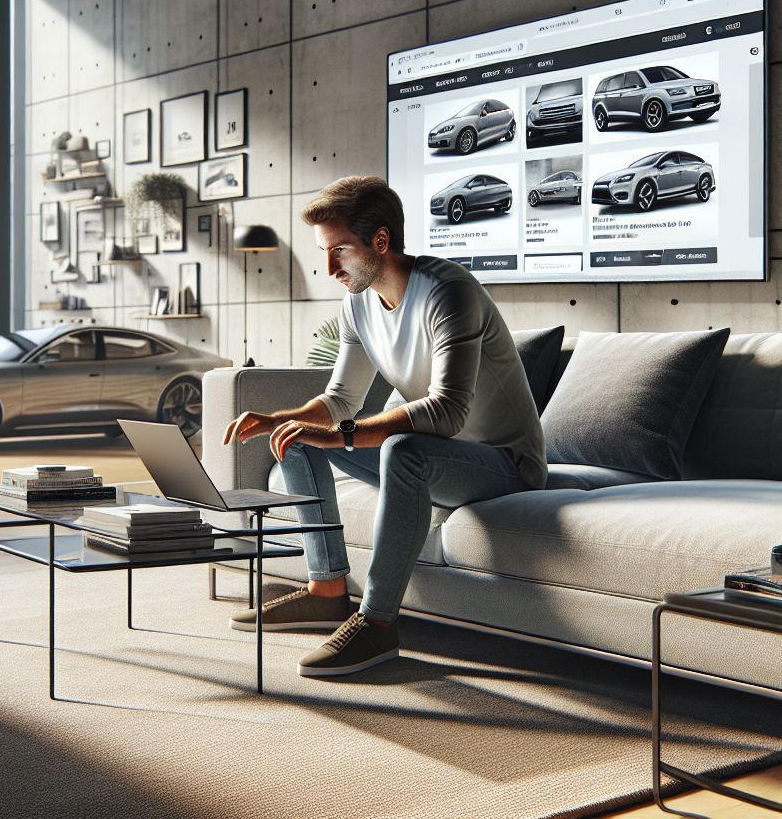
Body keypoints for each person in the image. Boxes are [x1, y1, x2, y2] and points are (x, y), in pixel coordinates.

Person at [222, 176, 546, 677]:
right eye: (325, 253)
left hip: (504, 464)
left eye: (341, 251)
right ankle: (327, 589)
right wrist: (280, 419)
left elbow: (446, 412)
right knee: (298, 442)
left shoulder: (449, 293)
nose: (330, 268)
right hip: (437, 460)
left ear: (380, 241)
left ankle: (376, 624)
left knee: (403, 451)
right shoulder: (357, 302)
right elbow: (340, 399)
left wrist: (342, 434)